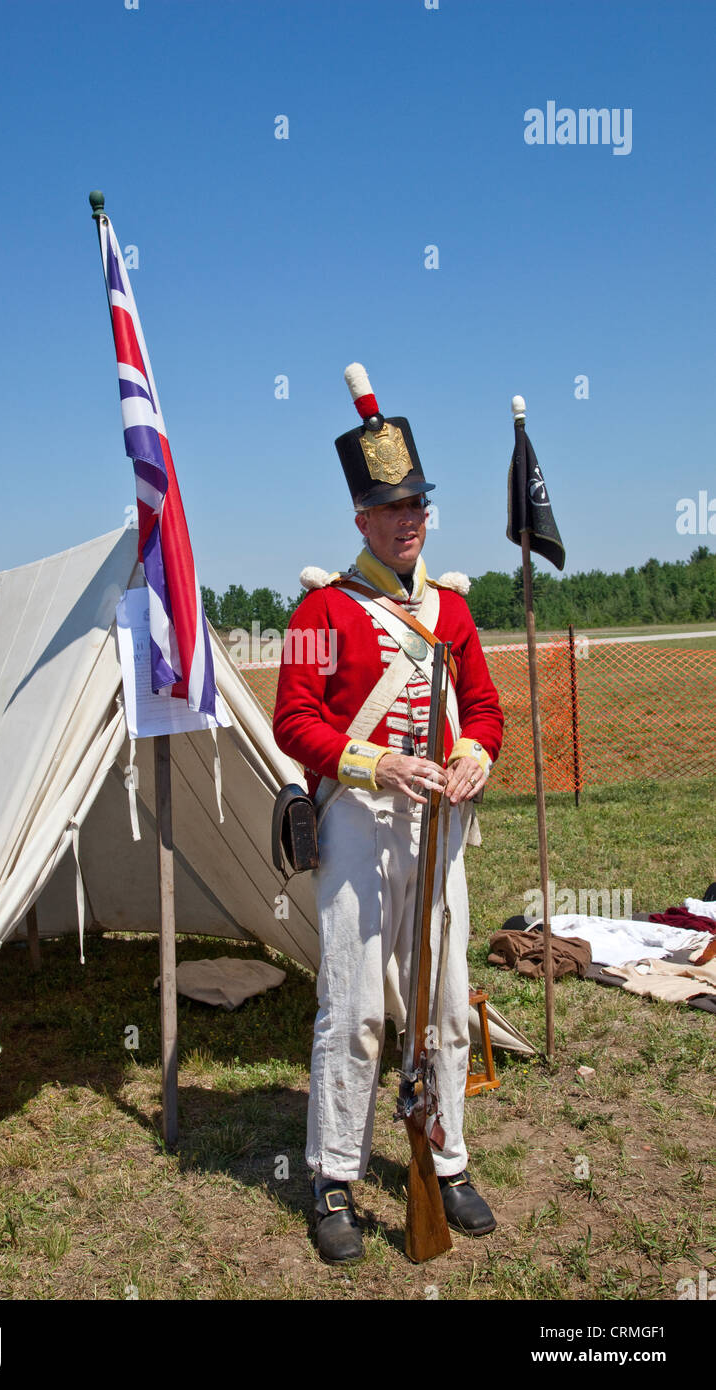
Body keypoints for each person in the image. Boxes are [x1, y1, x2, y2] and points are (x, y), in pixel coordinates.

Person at [273, 364, 504, 1263]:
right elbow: (297, 719)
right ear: (361, 520)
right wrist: (380, 763)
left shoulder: (452, 610)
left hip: (439, 832)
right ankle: (332, 1175)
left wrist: (473, 758)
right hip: (358, 829)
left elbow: (482, 709)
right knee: (355, 1009)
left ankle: (446, 1160)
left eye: (418, 506)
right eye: (391, 508)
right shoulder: (320, 609)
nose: (409, 521)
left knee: (445, 1003)